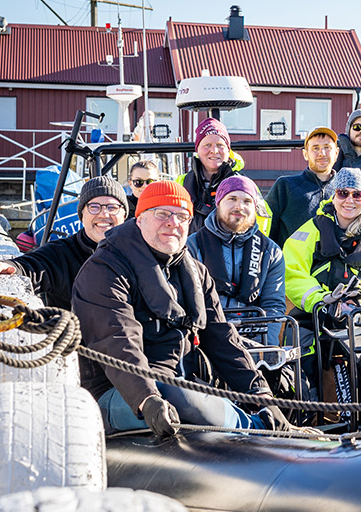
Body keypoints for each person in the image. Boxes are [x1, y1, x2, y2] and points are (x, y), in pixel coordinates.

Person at [72, 180, 306, 437]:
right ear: (140, 220)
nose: (173, 223)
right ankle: (257, 430)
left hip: (183, 382)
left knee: (189, 394)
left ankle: (266, 424)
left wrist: (259, 393)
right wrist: (146, 398)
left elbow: (221, 337)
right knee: (179, 396)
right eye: (162, 214)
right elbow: (116, 340)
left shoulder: (194, 272)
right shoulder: (105, 270)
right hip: (120, 393)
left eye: (182, 216)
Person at [282, 168, 361, 395]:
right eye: (343, 193)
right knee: (300, 356)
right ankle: (310, 416)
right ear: (333, 196)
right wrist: (322, 300)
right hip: (314, 315)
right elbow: (292, 270)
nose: (349, 200)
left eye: (357, 195)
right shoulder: (311, 230)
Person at [0, 176, 128, 309]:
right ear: (82, 215)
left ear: (124, 214)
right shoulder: (61, 254)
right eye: (94, 207)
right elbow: (32, 265)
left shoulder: (138, 251)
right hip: (75, 344)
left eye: (112, 207)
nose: (104, 214)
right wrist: (9, 265)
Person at [186, 175, 286, 343]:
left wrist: (265, 351)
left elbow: (273, 305)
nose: (239, 206)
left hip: (255, 341)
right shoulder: (193, 246)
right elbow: (188, 302)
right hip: (207, 340)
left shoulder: (271, 251)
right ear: (218, 203)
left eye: (247, 201)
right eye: (232, 198)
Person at [266, 127, 338, 247]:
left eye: (327, 147)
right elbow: (267, 231)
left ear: (336, 153)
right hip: (291, 264)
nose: (322, 153)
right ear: (305, 154)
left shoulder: (345, 192)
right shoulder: (285, 186)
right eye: (315, 148)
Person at [178, 117, 242, 233]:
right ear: (197, 149)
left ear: (228, 150)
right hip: (188, 249)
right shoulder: (180, 184)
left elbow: (261, 222)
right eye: (207, 145)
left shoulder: (242, 185)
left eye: (220, 145)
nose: (214, 150)